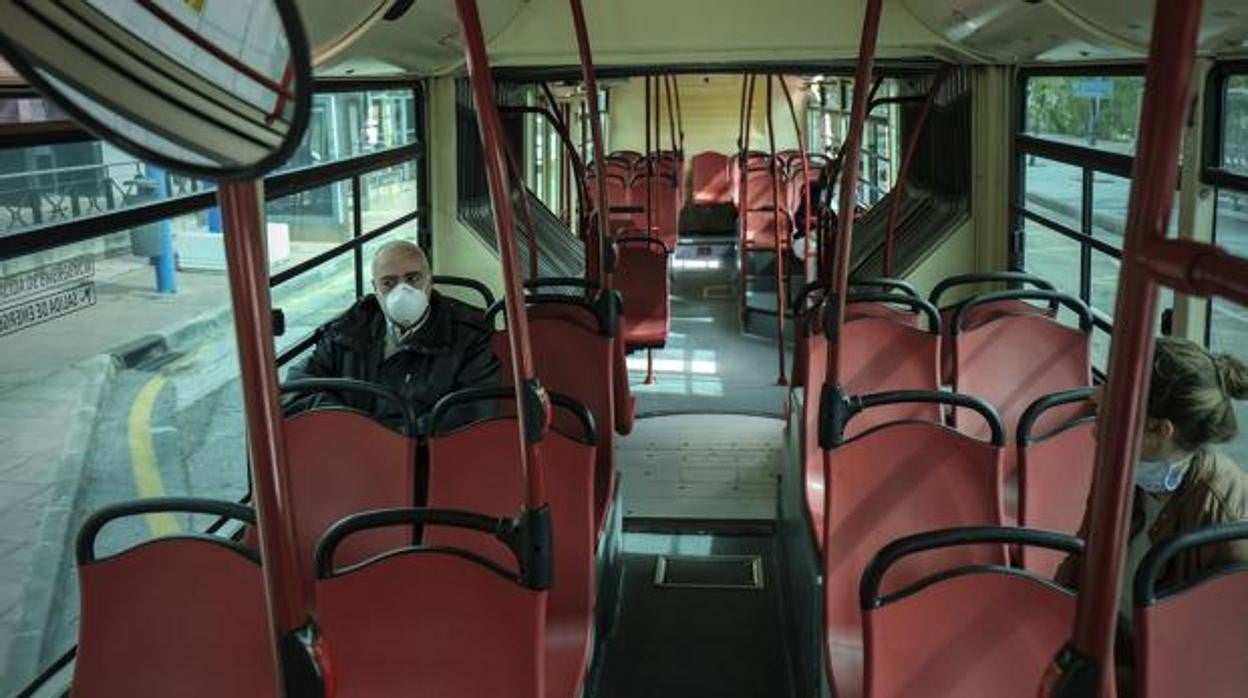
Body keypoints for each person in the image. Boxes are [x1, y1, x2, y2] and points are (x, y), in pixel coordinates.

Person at [1058, 336, 1248, 694]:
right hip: (1109, 643)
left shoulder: (1223, 513)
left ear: (1159, 430)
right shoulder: (1121, 463)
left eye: (1114, 395)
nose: (1095, 398)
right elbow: (1082, 559)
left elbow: (1219, 661)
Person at [283, 240, 500, 433]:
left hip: (425, 459)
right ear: (375, 289)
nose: (402, 291)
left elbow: (474, 411)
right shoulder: (349, 328)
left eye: (413, 278)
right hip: (348, 454)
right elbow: (296, 390)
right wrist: (346, 424)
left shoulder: (469, 335)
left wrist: (390, 438)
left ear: (429, 280)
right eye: (388, 282)